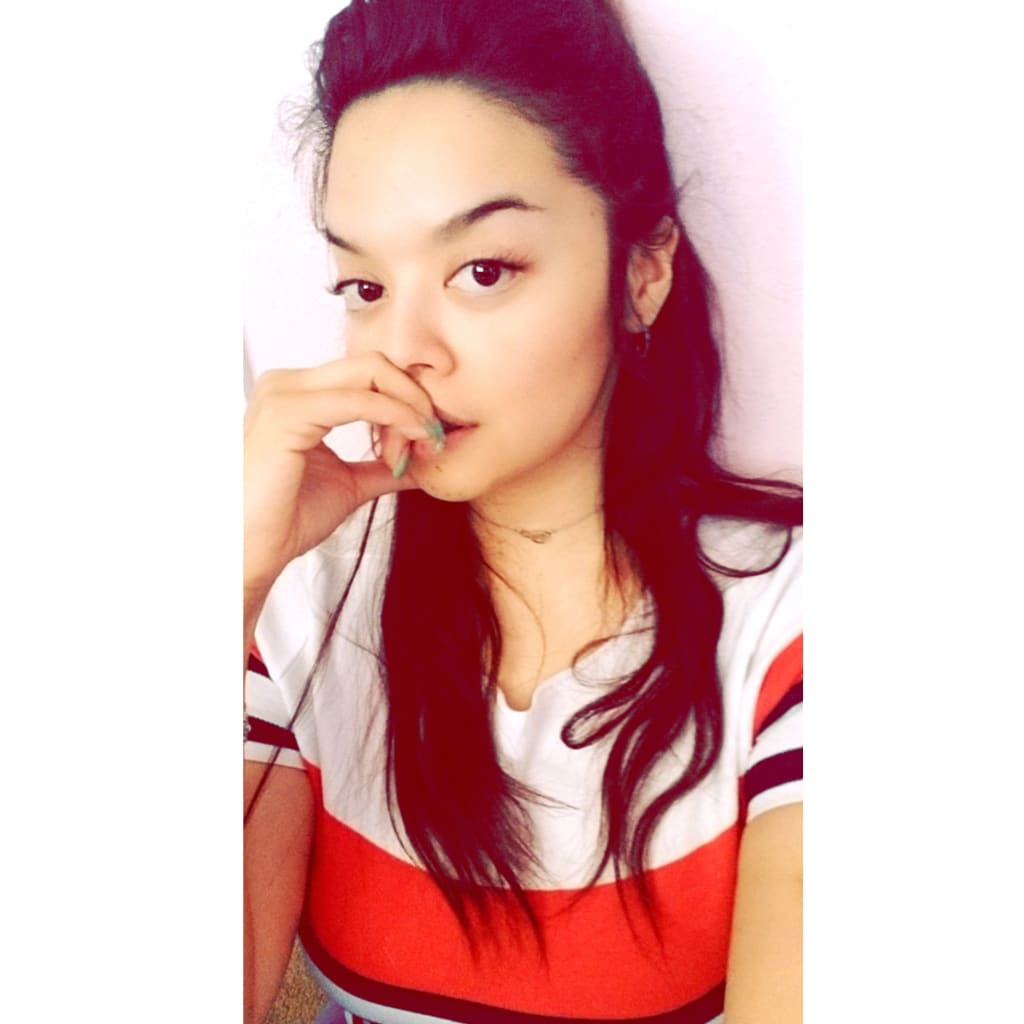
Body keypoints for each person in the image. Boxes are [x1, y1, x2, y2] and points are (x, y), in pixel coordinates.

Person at [243, 1, 803, 1022]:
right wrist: (228, 580)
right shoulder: (304, 588)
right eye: (363, 285)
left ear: (642, 272)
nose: (402, 349)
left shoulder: (787, 623)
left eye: (483, 271)